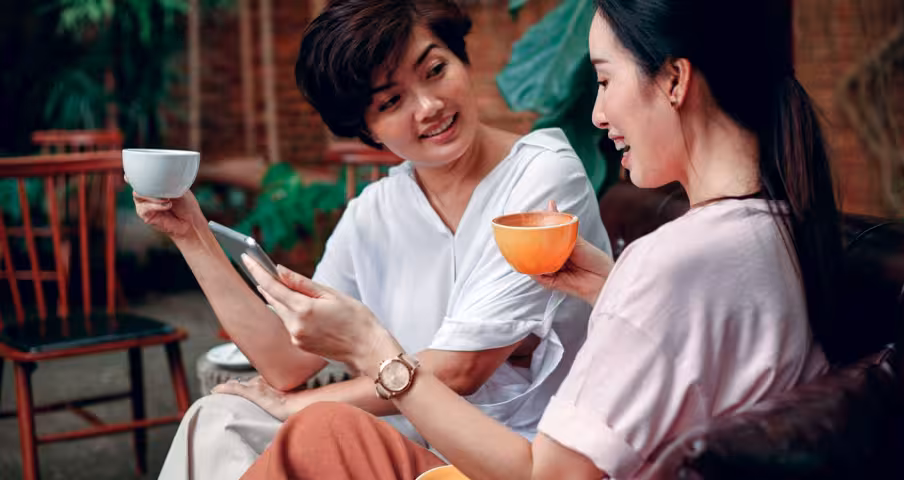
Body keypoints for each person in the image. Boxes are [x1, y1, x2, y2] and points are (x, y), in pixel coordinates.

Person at [235, 0, 844, 478]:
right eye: (391, 101)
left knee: (319, 436)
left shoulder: (670, 254)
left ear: (675, 80)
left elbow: (544, 472)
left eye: (604, 81)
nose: (598, 116)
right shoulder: (777, 224)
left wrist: (377, 353)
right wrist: (616, 287)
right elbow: (705, 356)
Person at [133, 0, 610, 478]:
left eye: (436, 69)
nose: (429, 107)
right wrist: (191, 233)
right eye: (391, 102)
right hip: (414, 437)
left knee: (316, 424)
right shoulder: (376, 211)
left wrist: (294, 406)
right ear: (367, 130)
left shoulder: (543, 177)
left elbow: (463, 370)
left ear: (463, 60)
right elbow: (288, 361)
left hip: (512, 456)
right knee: (217, 419)